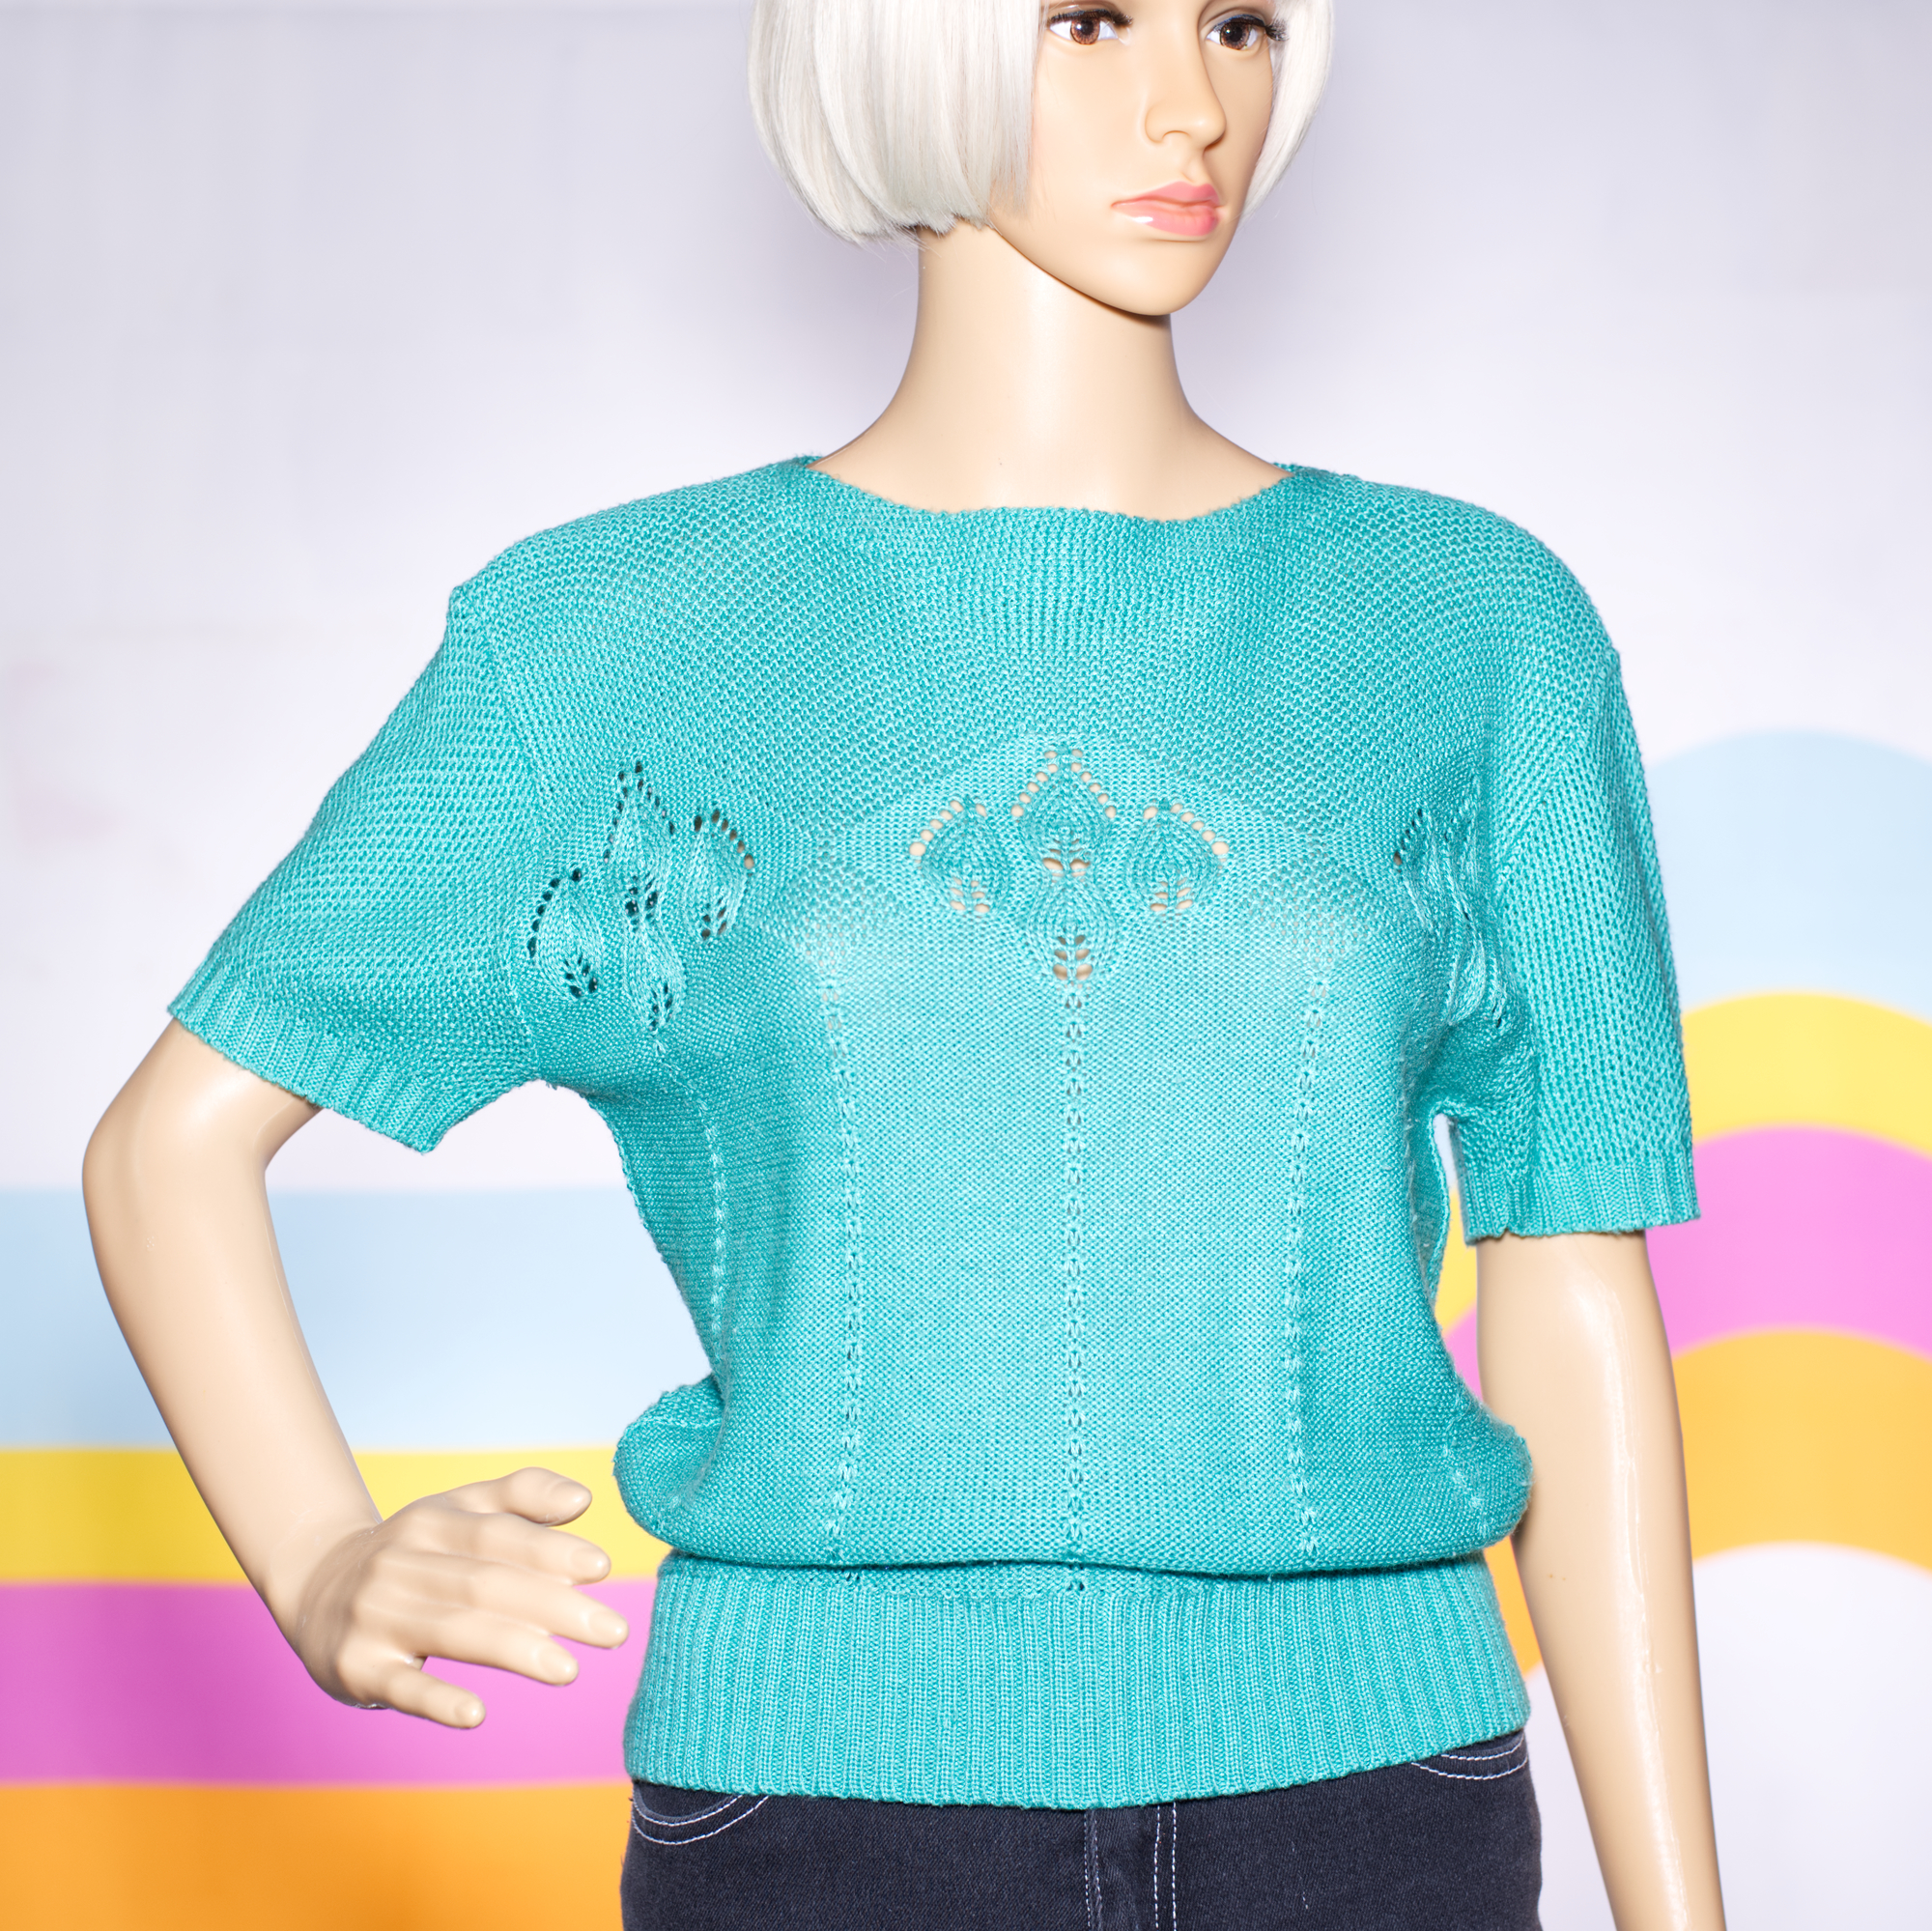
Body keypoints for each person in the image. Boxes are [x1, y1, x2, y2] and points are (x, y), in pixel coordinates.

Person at [84, 0, 1730, 1923]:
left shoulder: (1473, 629)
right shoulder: (609, 638)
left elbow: (1571, 1263)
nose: (1192, 106)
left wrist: (1679, 1910)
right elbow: (166, 1145)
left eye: (1239, 23)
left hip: (1374, 1809)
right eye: (1088, 20)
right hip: (815, 1822)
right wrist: (318, 1561)